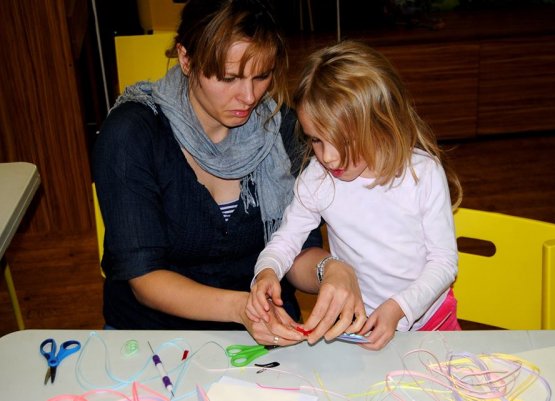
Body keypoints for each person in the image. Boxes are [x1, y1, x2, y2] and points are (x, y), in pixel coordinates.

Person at [92, 0, 365, 345]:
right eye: (228, 78)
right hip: (153, 338)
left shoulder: (283, 127)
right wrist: (241, 308)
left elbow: (297, 251)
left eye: (262, 76)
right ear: (186, 59)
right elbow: (144, 278)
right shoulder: (132, 135)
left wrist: (330, 270)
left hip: (265, 333)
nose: (249, 96)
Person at [247, 40, 463, 350]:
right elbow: (286, 240)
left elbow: (444, 263)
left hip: (430, 323)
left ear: (379, 124)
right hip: (356, 326)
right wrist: (266, 271)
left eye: (343, 142)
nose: (329, 157)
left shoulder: (422, 173)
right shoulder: (317, 179)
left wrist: (398, 308)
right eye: (316, 140)